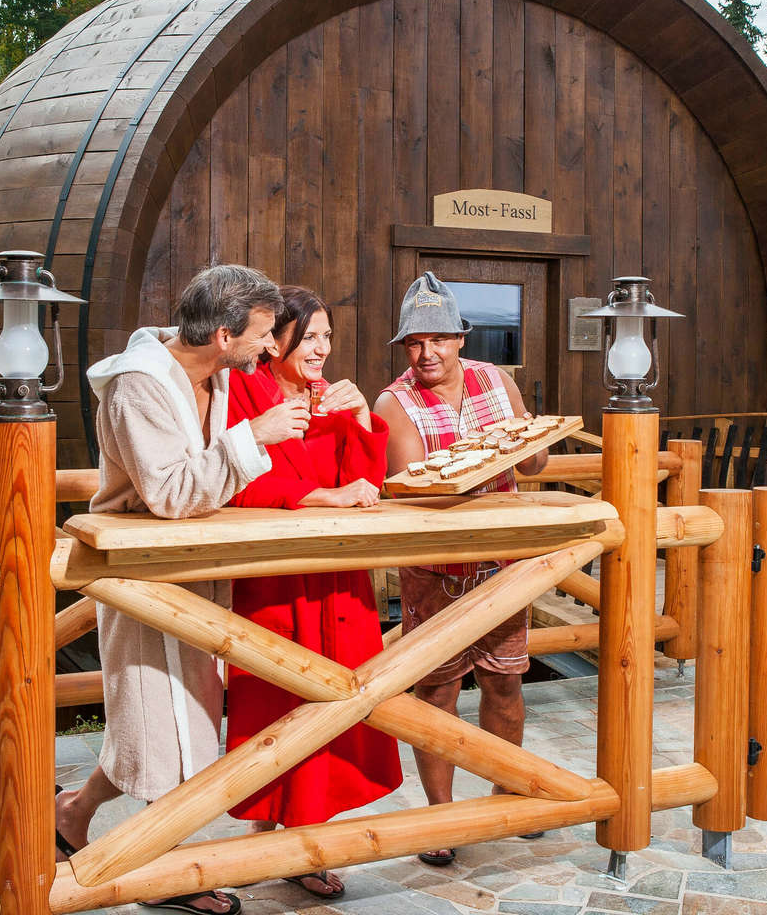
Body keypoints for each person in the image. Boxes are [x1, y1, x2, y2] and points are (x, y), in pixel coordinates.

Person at [54, 264, 309, 915]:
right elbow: (168, 494)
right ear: (223, 335)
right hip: (142, 579)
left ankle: (71, 816)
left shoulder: (213, 375)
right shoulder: (140, 386)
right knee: (161, 732)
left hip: (191, 578)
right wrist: (255, 439)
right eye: (262, 335)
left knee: (170, 728)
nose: (272, 348)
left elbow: (207, 476)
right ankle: (167, 880)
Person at [223, 286, 403, 899]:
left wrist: (358, 420)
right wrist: (320, 497)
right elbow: (236, 479)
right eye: (311, 336)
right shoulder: (246, 391)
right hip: (279, 575)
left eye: (328, 336)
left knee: (344, 701)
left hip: (339, 577)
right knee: (278, 701)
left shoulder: (328, 394)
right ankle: (285, 835)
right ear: (275, 340)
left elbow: (368, 482)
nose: (322, 348)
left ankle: (306, 836)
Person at [372, 272, 549, 868]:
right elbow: (414, 491)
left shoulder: (498, 381)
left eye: (439, 340)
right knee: (437, 690)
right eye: (415, 344)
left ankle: (511, 791)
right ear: (404, 349)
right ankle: (441, 817)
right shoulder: (392, 402)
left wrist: (522, 441)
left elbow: (539, 458)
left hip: (502, 563)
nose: (427, 354)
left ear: (460, 339)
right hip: (436, 571)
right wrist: (487, 459)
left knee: (505, 680)